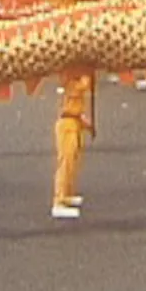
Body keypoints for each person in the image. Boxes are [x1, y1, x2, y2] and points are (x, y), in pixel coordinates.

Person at [52, 74, 94, 219]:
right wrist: (86, 79)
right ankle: (59, 200)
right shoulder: (70, 83)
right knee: (66, 163)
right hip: (67, 124)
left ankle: (67, 194)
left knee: (73, 162)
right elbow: (82, 86)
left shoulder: (73, 84)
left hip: (75, 122)